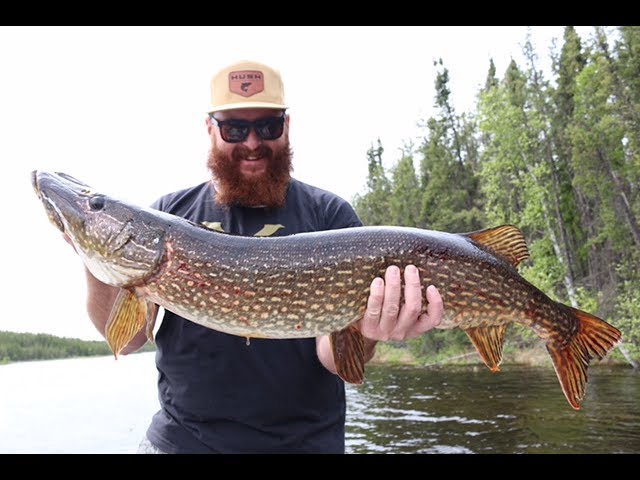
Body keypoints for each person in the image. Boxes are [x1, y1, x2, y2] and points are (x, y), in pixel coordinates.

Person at [78, 60, 444, 454]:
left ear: (286, 127)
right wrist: (94, 256)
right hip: (182, 443)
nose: (252, 142)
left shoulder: (330, 217)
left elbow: (336, 358)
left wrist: (369, 330)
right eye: (234, 128)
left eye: (267, 126)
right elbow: (129, 340)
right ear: (210, 129)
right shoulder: (171, 214)